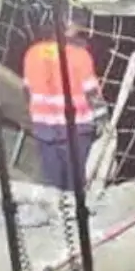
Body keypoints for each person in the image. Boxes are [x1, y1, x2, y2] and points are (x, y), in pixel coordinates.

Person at [22, 22, 106, 191]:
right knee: (75, 184)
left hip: (44, 127)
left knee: (52, 184)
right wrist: (103, 120)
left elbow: (27, 90)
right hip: (76, 129)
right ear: (68, 29)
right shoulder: (79, 55)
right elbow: (92, 93)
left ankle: (54, 205)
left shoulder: (32, 53)